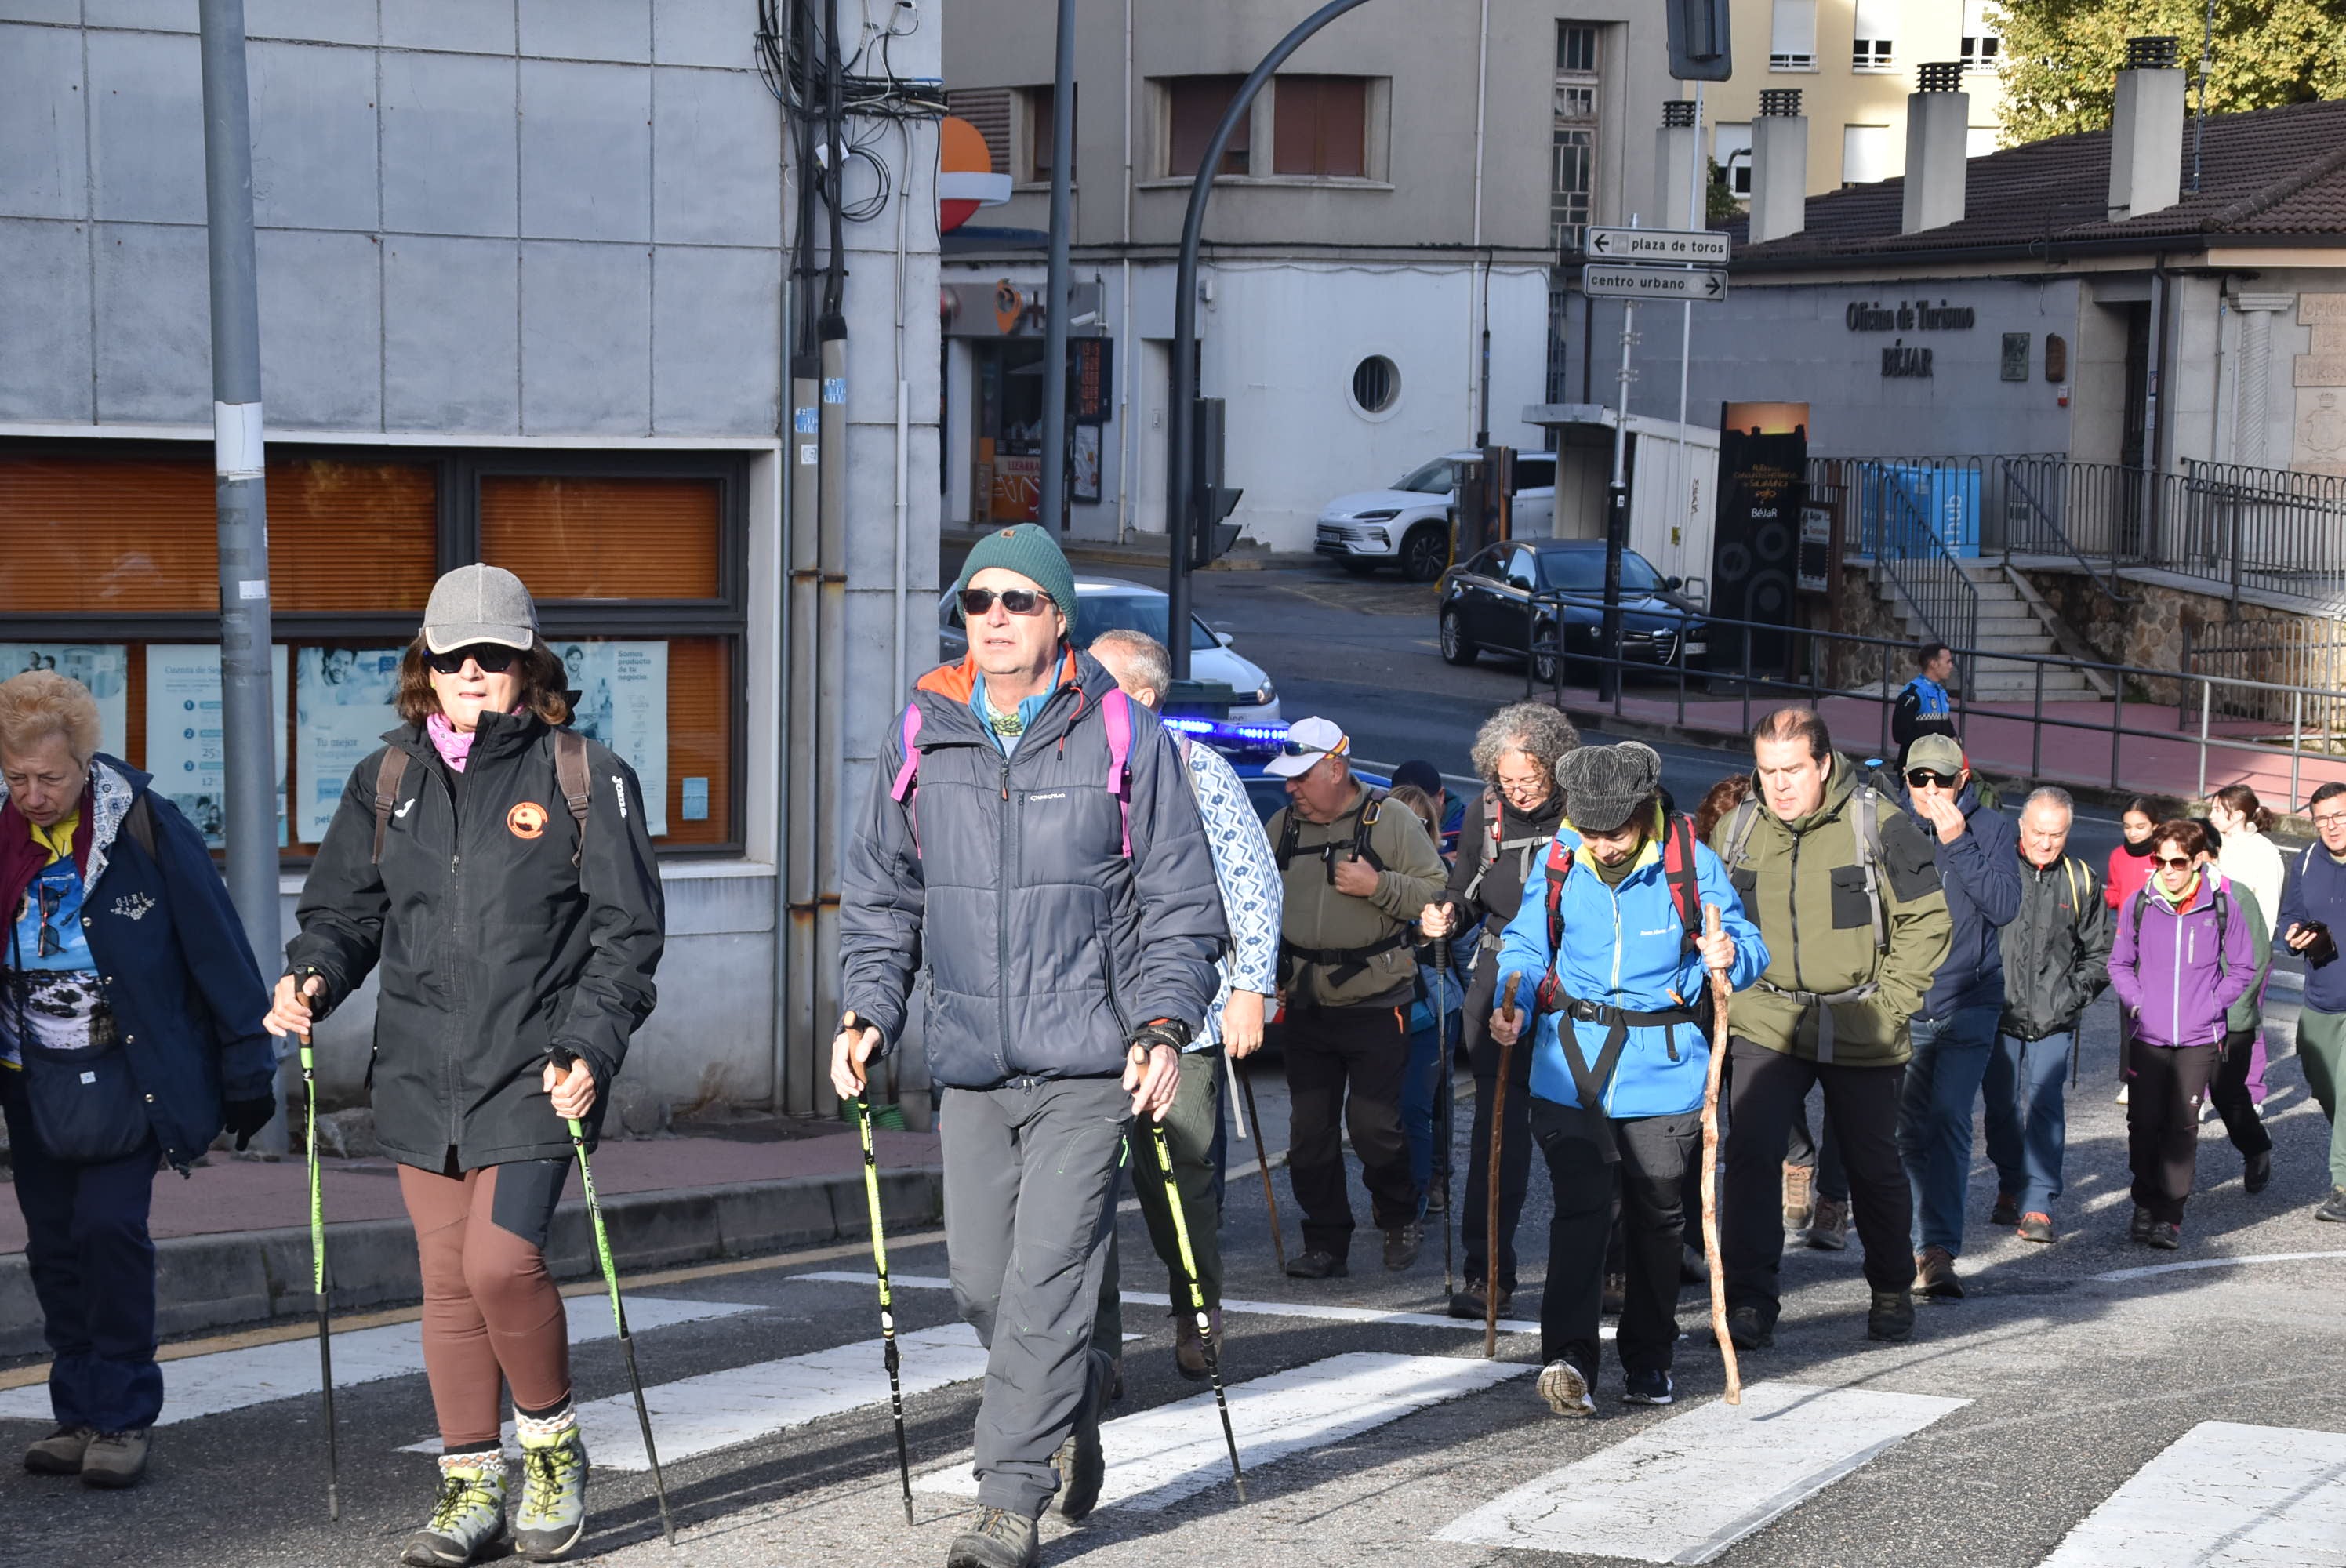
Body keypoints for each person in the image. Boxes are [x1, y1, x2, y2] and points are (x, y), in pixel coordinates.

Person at [834, 525, 1226, 1568]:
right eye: (977, 601)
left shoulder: (1122, 736)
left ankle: (1009, 1496)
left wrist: (1160, 1024)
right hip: (969, 1059)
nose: (995, 618)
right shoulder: (924, 728)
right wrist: (869, 1009)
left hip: (1089, 1060)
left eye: (1017, 600)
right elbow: (883, 895)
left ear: (1058, 618)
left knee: (1050, 1275)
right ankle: (1073, 1404)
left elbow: (1181, 905)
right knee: (979, 1281)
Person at [272, 564, 665, 1566]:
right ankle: (470, 1487)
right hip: (417, 1067)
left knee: (500, 1262)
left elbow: (627, 934)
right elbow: (346, 914)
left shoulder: (584, 772)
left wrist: (590, 1044)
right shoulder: (385, 778)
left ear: (527, 661)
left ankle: (551, 1448)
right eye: (456, 656)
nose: (476, 670)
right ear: (428, 665)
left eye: (496, 654)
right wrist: (311, 978)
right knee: (447, 1283)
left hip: (538, 1066)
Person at [0, 671, 275, 1489]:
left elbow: (218, 946)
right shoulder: (3, 836)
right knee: (53, 1247)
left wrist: (246, 1066)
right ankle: (77, 1409)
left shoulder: (146, 829)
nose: (33, 793)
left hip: (129, 1075)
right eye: (16, 778)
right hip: (31, 1074)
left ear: (85, 764)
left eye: (49, 777)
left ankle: (122, 1414)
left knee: (110, 1232)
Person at [1487, 742, 1767, 1414]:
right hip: (1569, 1064)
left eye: (1616, 833)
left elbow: (1748, 948)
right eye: (1591, 832)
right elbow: (1526, 946)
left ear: (1643, 815)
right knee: (1580, 1213)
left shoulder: (1689, 865)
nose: (1604, 846)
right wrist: (1514, 1001)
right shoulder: (1559, 859)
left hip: (1664, 1069)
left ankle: (1648, 1360)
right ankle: (1569, 1361)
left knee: (1656, 1219)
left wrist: (1728, 956)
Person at [1712, 707, 1951, 1348]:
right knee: (1754, 1158)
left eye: (1793, 770)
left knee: (1874, 1167)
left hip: (1862, 1021)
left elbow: (1928, 922)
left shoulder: (1882, 823)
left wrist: (1892, 1004)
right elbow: (1712, 920)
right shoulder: (1735, 830)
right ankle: (1750, 1303)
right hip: (1767, 1018)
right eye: (1767, 772)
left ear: (1823, 764)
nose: (1780, 785)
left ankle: (1891, 1288)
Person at [1085, 629, 1280, 1388]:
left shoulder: (1200, 772)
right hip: (1091, 1017)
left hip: (1186, 1014)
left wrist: (1249, 985)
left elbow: (1252, 882)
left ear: (1139, 696)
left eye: (1096, 679)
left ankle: (1196, 1309)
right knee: (1085, 1184)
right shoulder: (1072, 766)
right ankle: (1094, 1346)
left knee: (1183, 1181)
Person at [1267, 716, 1446, 1280]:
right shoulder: (1283, 827)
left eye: (1300, 777)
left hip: (1376, 1000)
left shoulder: (1388, 820)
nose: (1290, 788)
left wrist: (1379, 887)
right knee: (1308, 1132)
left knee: (1373, 1126)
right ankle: (1325, 1242)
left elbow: (1438, 892)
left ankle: (1398, 1214)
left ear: (1335, 768)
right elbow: (1257, 901)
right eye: (1288, 779)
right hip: (1305, 1003)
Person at [1417, 702, 1579, 1319]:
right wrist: (1445, 912)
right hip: (1501, 974)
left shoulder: (1586, 812)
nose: (1518, 792)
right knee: (1497, 1133)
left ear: (1557, 768)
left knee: (1591, 1131)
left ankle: (1613, 1261)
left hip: (1573, 980)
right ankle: (1487, 1273)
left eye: (1530, 781)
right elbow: (1463, 890)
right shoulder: (1488, 815)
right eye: (1508, 781)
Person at [1894, 735, 2019, 1301]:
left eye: (1940, 779)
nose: (1929, 790)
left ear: (1962, 781)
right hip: (1905, 999)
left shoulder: (1991, 828)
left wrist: (1957, 842)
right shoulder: (1887, 822)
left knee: (1947, 1118)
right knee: (1905, 1129)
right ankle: (1906, 1243)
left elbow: (2003, 905)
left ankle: (1937, 1250)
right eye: (1919, 778)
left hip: (1971, 999)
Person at [2108, 819, 2253, 1249]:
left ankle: (2170, 1216)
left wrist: (2212, 1004)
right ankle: (2145, 1202)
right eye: (2160, 860)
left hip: (2199, 1038)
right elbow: (2118, 964)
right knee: (2143, 1124)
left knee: (2181, 1127)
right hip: (2148, 1036)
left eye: (2178, 861)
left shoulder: (2222, 906)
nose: (2167, 869)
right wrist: (2137, 1002)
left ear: (2197, 861)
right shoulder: (2140, 902)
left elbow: (2243, 967)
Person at [1987, 787, 2112, 1243]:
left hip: (2054, 1017)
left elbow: (2100, 953)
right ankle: (2009, 1183)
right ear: (2021, 827)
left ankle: (2037, 1203)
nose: (2046, 843)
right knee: (2000, 1108)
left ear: (2068, 832)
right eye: (2038, 832)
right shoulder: (1997, 871)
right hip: (1997, 1014)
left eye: (2056, 835)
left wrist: (2073, 996)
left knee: (2044, 1104)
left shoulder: (2081, 880)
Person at [1385, 782, 1464, 1218]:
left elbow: (1465, 947)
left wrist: (1475, 1002)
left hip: (1432, 1007)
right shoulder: (1370, 874)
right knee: (1387, 1110)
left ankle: (1427, 1187)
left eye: (1419, 823)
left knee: (1425, 1103)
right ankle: (1399, 1189)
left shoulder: (1441, 880)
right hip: (1381, 1009)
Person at [2188, 820, 2275, 1192]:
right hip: (2179, 1019)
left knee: (2227, 1095)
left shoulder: (2236, 896)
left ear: (2206, 855)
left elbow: (2256, 959)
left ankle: (2256, 1147)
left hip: (2228, 1020)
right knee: (2178, 1097)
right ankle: (2170, 1180)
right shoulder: (2161, 894)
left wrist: (2224, 1009)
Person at [2280, 781, 2346, 1225]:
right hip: (2322, 997)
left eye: (2339, 815)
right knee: (2325, 1088)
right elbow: (2290, 916)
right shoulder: (2304, 861)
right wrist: (2293, 936)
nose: (2331, 826)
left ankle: (2342, 1187)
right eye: (2322, 818)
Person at [2209, 785, 2283, 1111]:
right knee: (2210, 1018)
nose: (2210, 816)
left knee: (2247, 1020)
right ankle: (2208, 1087)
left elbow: (2267, 910)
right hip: (2212, 949)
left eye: (2216, 810)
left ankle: (2252, 1092)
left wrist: (2256, 954)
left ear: (2237, 814)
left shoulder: (2263, 852)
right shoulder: (2215, 846)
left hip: (2249, 953)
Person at [2107, 797, 2174, 1106]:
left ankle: (2168, 1075)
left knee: (2163, 1013)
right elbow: (2115, 891)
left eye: (2141, 827)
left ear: (2155, 826)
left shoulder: (2165, 857)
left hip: (2161, 945)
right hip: (2128, 945)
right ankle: (2131, 1078)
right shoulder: (2118, 856)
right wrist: (2097, 894)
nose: (2133, 833)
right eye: (2128, 827)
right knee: (2130, 1015)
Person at [1890, 641, 1959, 768]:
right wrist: (1935, 744)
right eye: (1948, 662)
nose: (1951, 666)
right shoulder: (1914, 693)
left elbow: (1945, 725)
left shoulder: (1941, 692)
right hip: (1916, 767)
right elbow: (1900, 734)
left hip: (1940, 765)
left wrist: (1955, 741)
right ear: (1933, 664)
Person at [1391, 759, 1466, 859]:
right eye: (1403, 803)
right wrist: (1442, 863)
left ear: (1441, 796)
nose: (1412, 811)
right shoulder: (1383, 818)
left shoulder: (1470, 827)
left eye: (1422, 802)